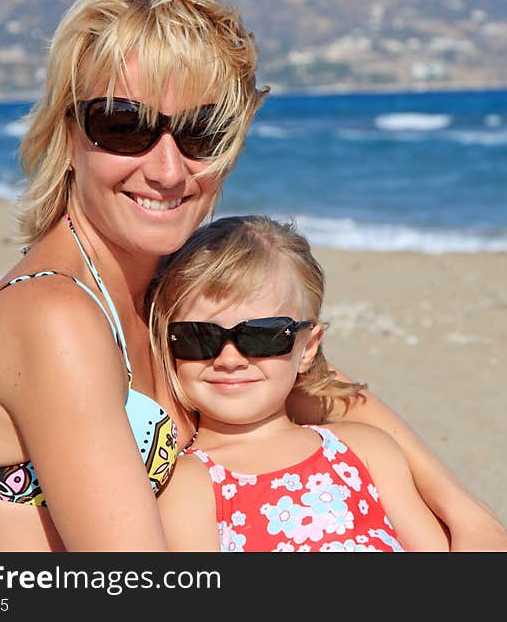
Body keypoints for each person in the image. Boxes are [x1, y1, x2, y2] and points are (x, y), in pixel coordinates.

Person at [0, 0, 507, 551]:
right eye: (124, 126)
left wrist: (473, 522)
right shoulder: (55, 317)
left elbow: (322, 386)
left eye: (202, 131)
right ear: (68, 133)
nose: (168, 170)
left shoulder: (163, 282)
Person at [149, 216, 451, 551]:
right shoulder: (188, 484)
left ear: (307, 347)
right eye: (199, 337)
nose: (229, 359)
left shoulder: (365, 450)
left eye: (261, 335)